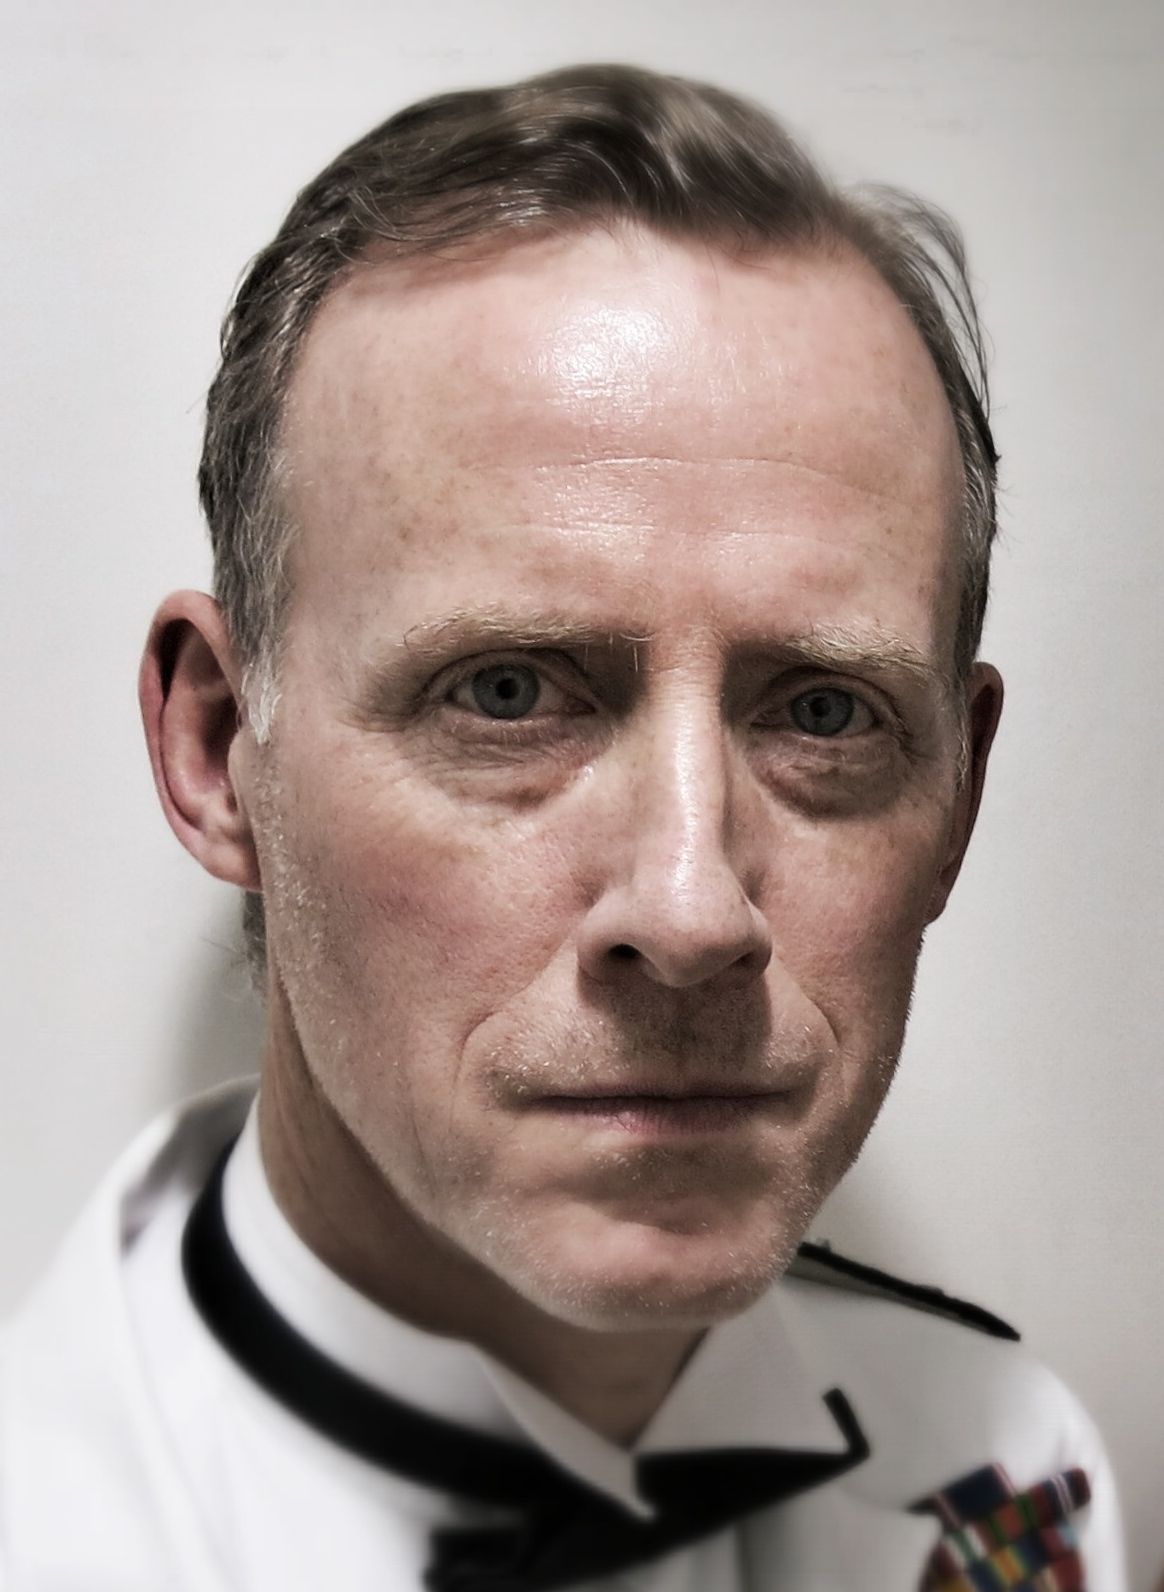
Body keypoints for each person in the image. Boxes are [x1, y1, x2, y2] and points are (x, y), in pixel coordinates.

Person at [0, 63, 1127, 1592]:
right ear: (217, 753)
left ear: (958, 803)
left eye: (823, 712)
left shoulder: (1009, 1480)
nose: (692, 911)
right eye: (509, 691)